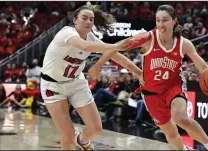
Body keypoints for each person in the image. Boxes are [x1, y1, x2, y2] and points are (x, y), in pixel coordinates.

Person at [91, 5, 208, 150]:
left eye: (165, 20)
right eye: (158, 20)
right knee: (170, 133)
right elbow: (116, 47)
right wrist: (99, 64)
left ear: (174, 21)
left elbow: (204, 68)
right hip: (151, 92)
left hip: (173, 87)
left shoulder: (184, 44)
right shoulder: (146, 39)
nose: (161, 24)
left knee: (180, 118)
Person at [40, 3, 142, 150]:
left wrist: (139, 73)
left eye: (91, 19)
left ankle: (81, 139)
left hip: (76, 82)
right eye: (84, 18)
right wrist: (115, 45)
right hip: (53, 85)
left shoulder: (91, 37)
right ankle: (73, 138)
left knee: (96, 129)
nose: (88, 22)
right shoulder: (66, 32)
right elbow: (84, 46)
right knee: (67, 135)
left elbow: (117, 56)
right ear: (75, 20)